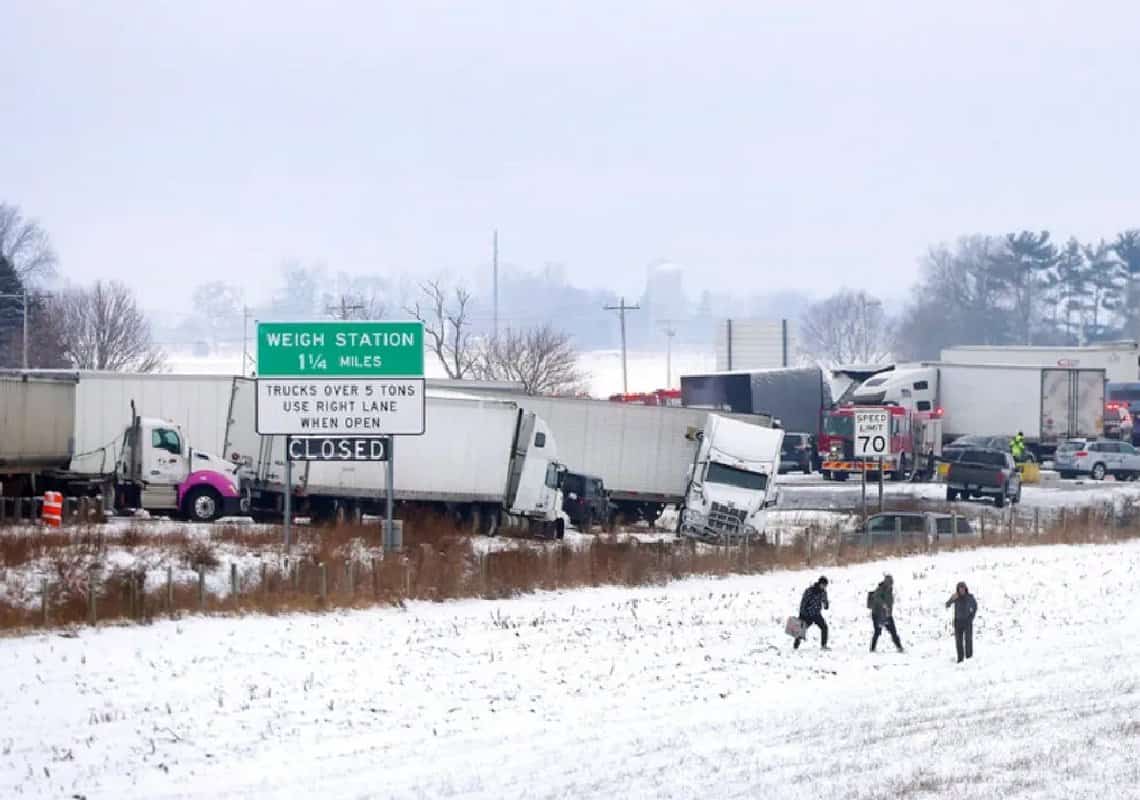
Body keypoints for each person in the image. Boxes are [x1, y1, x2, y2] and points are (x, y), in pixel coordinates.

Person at [869, 574, 904, 653]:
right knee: (877, 632)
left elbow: (890, 602)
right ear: (886, 582)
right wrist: (883, 604)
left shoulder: (889, 590)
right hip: (877, 615)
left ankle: (899, 647)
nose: (891, 584)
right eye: (890, 583)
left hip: (887, 615)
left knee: (893, 632)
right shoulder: (880, 589)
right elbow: (876, 598)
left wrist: (888, 611)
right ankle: (872, 649)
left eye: (892, 583)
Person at [794, 576, 830, 650]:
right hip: (807, 614)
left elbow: (825, 602)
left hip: (817, 614)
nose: (824, 587)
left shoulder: (823, 592)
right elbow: (803, 602)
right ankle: (796, 643)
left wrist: (826, 605)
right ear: (820, 583)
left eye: (825, 586)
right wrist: (801, 614)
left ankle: (823, 645)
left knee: (824, 628)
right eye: (823, 585)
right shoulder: (809, 591)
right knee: (802, 629)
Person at [945, 581, 978, 663]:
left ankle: (969, 658)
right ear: (958, 589)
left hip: (967, 622)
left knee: (968, 640)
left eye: (963, 588)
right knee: (958, 642)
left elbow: (975, 606)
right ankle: (960, 659)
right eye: (960, 589)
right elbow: (947, 605)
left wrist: (971, 617)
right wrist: (951, 599)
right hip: (958, 622)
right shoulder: (955, 597)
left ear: (965, 589)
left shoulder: (969, 597)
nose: (962, 590)